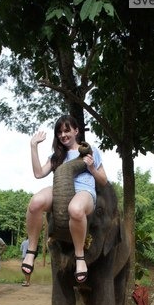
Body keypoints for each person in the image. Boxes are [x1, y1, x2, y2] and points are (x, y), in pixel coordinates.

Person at [21, 114, 108, 283]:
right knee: (35, 203)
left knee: (75, 209)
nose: (63, 135)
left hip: (84, 190)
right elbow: (39, 174)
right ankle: (31, 251)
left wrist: (91, 168)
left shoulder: (91, 151)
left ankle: (79, 257)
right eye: (59, 132)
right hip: (60, 189)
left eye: (67, 130)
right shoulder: (57, 156)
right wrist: (33, 146)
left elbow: (103, 180)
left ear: (76, 131)